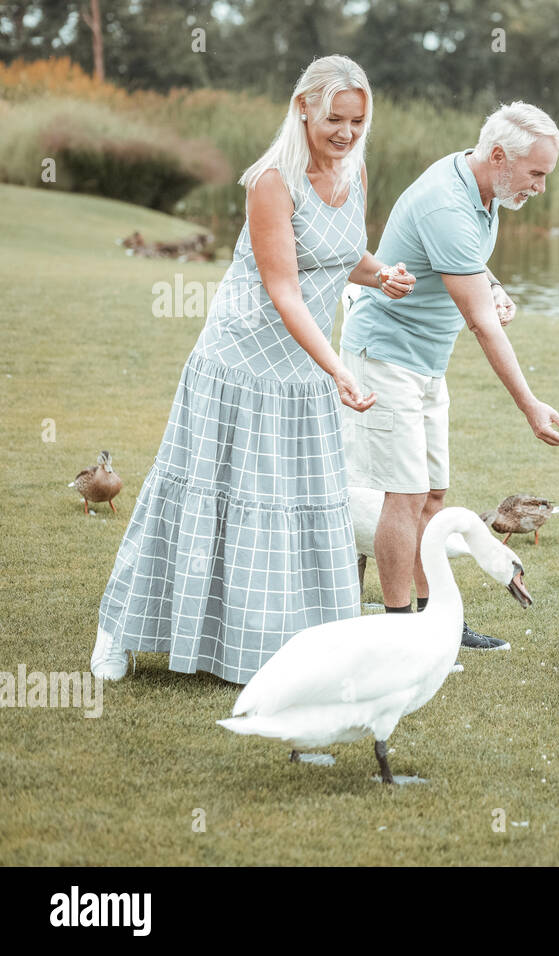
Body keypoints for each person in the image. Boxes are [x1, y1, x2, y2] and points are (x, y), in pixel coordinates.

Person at [90, 55, 415, 683]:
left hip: (302, 371)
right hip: (241, 367)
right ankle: (118, 628)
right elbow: (284, 289)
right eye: (334, 118)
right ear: (302, 107)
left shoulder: (356, 172)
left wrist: (381, 274)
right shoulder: (272, 181)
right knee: (195, 498)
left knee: (287, 506)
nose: (346, 132)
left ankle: (266, 641)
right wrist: (339, 371)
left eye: (357, 120)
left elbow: (337, 253)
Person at [339, 101, 559, 649]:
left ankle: (434, 614)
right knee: (405, 494)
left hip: (426, 362)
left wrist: (491, 284)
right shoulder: (447, 201)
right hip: (385, 358)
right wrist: (530, 405)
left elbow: (459, 259)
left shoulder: (481, 186)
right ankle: (403, 633)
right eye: (537, 173)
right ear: (499, 156)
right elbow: (482, 327)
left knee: (433, 496)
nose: (540, 187)